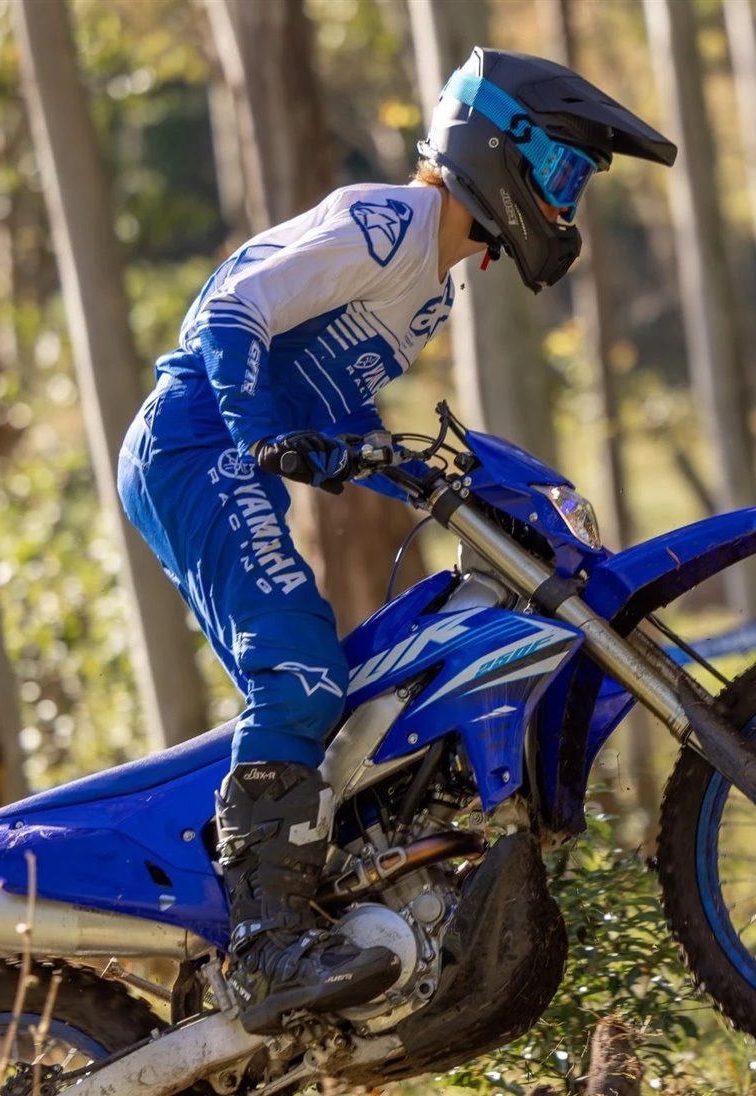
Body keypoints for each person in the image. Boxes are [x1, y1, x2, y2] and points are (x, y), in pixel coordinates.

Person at [118, 48, 677, 1035]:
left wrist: (421, 473)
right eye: (559, 175)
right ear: (496, 147)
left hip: (226, 448)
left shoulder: (431, 285)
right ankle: (265, 945)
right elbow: (237, 308)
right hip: (195, 440)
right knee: (297, 669)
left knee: (342, 685)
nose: (564, 203)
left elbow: (337, 408)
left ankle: (313, 892)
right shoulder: (390, 225)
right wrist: (260, 426)